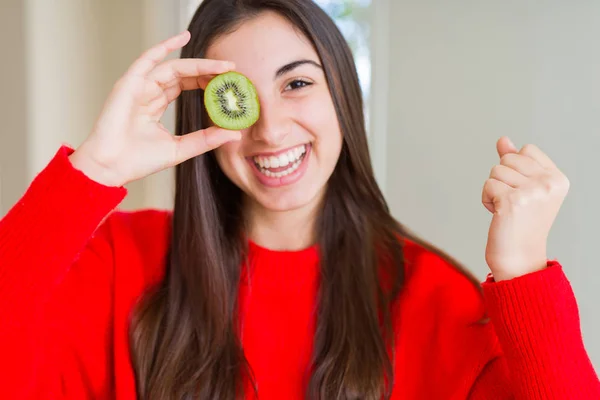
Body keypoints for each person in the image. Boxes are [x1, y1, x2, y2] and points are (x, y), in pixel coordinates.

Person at [0, 0, 598, 399]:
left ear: (342, 92)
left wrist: (523, 274)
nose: (271, 131)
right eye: (239, 97)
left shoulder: (435, 299)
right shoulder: (119, 263)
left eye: (297, 83)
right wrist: (93, 171)